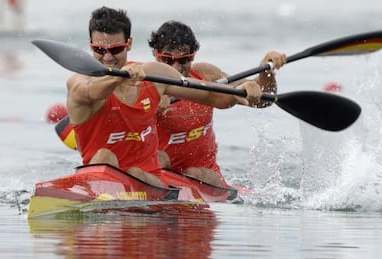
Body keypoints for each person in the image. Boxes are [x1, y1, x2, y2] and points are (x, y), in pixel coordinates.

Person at [66, 6, 265, 188]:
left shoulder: (154, 75)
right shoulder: (78, 82)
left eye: (116, 49)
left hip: (149, 182)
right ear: (90, 46)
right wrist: (118, 79)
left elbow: (213, 97)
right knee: (104, 156)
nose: (108, 57)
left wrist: (241, 90)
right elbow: (91, 92)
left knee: (135, 172)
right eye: (100, 50)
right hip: (102, 176)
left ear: (129, 44)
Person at [149, 21, 286, 187]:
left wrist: (266, 74)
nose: (176, 68)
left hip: (205, 177)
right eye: (168, 59)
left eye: (184, 59)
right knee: (160, 158)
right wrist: (148, 102)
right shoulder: (145, 81)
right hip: (160, 173)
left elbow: (263, 99)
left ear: (193, 56)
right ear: (155, 55)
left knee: (195, 173)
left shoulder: (207, 75)